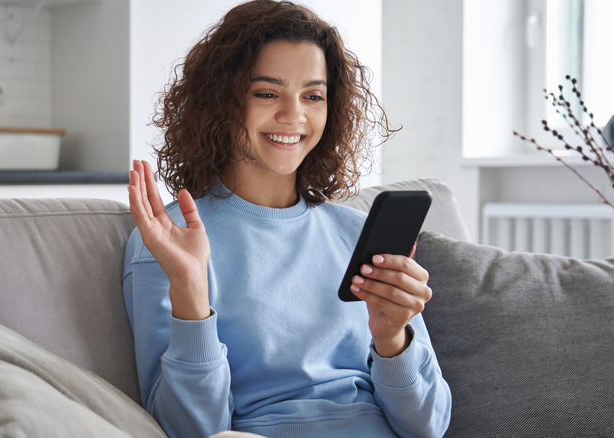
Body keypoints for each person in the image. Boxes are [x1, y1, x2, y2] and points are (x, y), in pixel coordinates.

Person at [122, 1, 452, 437]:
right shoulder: (168, 242)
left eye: (313, 96)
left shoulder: (356, 233)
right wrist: (190, 295)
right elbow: (191, 430)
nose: (293, 115)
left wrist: (393, 340)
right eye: (266, 93)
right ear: (221, 101)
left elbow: (429, 426)